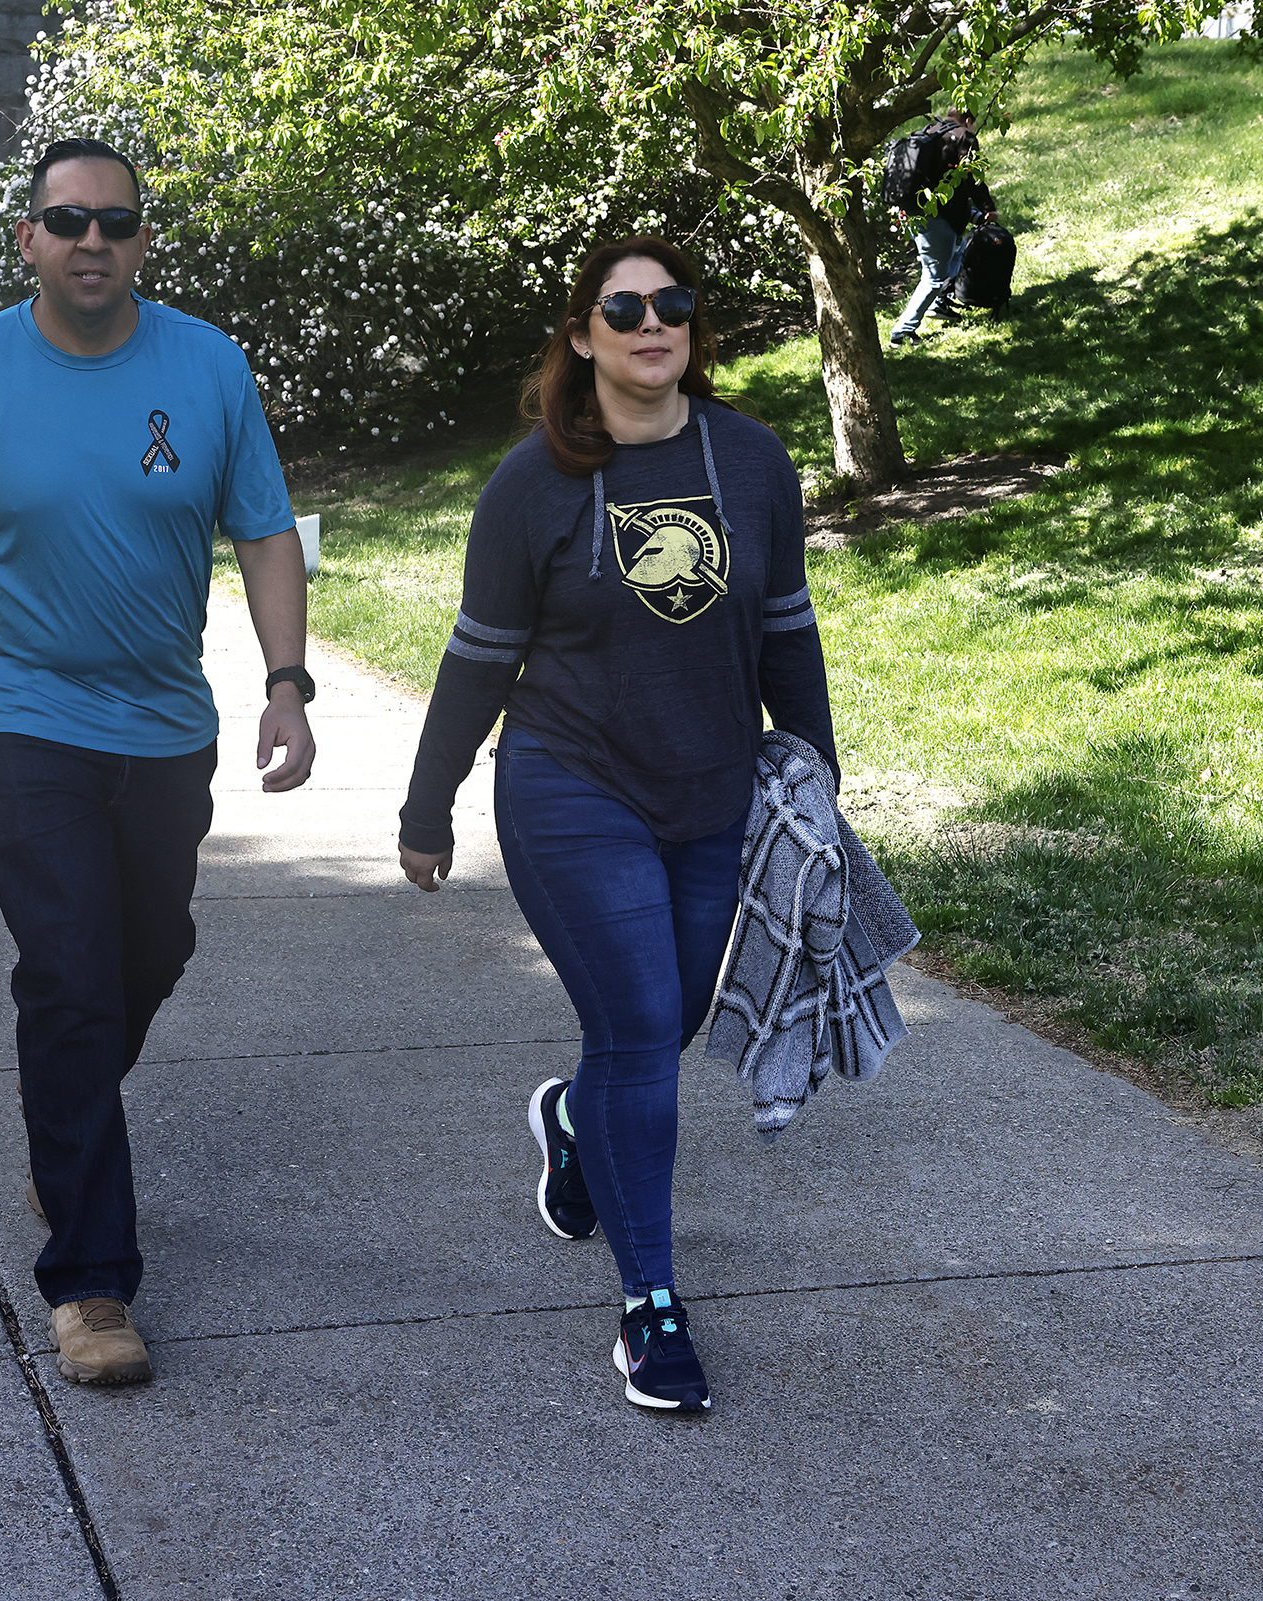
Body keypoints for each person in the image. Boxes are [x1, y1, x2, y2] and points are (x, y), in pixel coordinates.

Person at [0, 137, 315, 1388]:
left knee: (148, 952)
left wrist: (286, 684)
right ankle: (93, 1280)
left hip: (162, 722)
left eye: (116, 222)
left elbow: (267, 532)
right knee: (69, 969)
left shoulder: (206, 364)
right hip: (12, 712)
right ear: (29, 242)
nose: (93, 241)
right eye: (68, 222)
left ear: (143, 238)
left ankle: (64, 1128)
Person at [395, 238, 839, 1412]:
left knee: (668, 1017)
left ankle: (576, 1128)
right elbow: (481, 653)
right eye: (624, 307)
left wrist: (819, 782)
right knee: (641, 1022)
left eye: (673, 304)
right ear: (582, 335)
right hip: (570, 780)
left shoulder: (747, 462)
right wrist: (427, 802)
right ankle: (650, 1306)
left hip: (710, 789)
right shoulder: (532, 482)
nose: (654, 322)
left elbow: (787, 630)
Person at [888, 109, 996, 347]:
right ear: (968, 120)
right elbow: (970, 177)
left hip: (915, 212)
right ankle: (902, 332)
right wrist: (987, 207)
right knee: (933, 276)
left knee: (957, 253)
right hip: (935, 217)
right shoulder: (963, 136)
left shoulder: (930, 132)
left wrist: (973, 214)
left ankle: (938, 304)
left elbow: (945, 185)